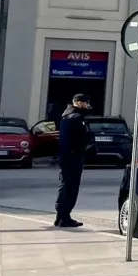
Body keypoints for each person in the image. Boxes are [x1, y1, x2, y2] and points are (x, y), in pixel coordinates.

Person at [54, 93, 94, 227]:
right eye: (86, 103)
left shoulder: (68, 116)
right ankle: (64, 217)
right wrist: (82, 148)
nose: (87, 106)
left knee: (66, 185)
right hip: (72, 157)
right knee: (70, 187)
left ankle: (61, 216)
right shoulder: (75, 118)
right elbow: (76, 139)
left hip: (68, 157)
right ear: (79, 103)